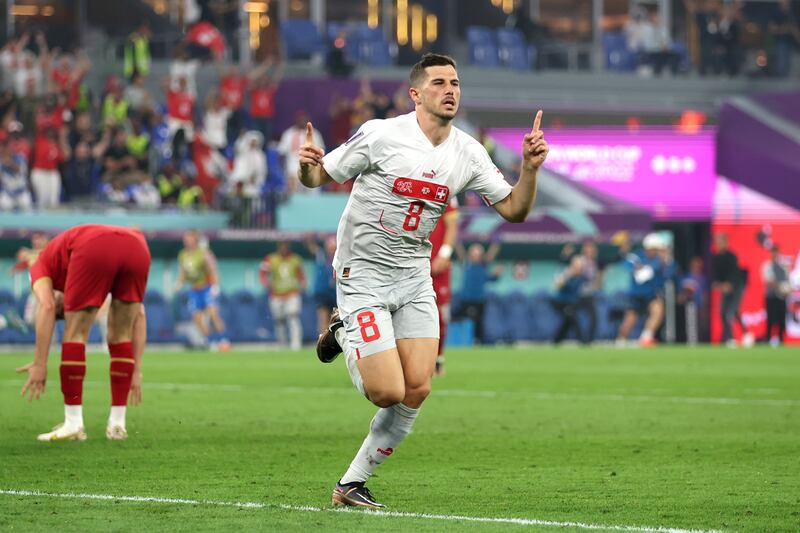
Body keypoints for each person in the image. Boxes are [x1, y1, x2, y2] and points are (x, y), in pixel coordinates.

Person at [300, 53, 548, 508]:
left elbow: (515, 209)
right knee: (387, 390)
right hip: (365, 274)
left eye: (455, 82)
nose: (450, 89)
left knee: (418, 387)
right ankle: (343, 329)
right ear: (416, 94)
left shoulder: (468, 152)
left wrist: (530, 170)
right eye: (438, 82)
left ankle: (351, 484)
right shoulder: (381, 134)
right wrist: (305, 165)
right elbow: (317, 176)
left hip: (414, 275)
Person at [15, 224, 150, 441]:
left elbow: (47, 306)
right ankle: (117, 425)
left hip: (95, 246)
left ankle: (73, 423)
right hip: (137, 245)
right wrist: (136, 369)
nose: (64, 311)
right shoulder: (69, 264)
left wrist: (39, 364)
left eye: (63, 312)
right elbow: (140, 315)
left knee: (75, 333)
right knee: (120, 335)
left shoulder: (40, 266)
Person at [176, 230, 230, 351]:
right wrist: (179, 283)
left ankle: (223, 340)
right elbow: (183, 272)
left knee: (213, 313)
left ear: (195, 240)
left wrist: (216, 286)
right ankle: (210, 342)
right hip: (194, 290)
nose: (186, 241)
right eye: (185, 239)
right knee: (197, 317)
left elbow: (212, 270)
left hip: (207, 287)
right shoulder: (182, 254)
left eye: (188, 238)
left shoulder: (204, 253)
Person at [616, 233, 666, 347]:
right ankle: (620, 340)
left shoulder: (658, 260)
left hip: (650, 294)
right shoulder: (637, 256)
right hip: (636, 294)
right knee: (630, 319)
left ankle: (646, 337)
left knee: (658, 311)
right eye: (654, 249)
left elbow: (652, 275)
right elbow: (631, 267)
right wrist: (638, 267)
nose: (655, 251)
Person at [429, 200, 458, 375]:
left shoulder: (444, 189)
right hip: (412, 263)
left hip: (437, 267)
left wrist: (444, 254)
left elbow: (452, 225)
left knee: (439, 315)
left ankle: (438, 359)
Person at [259, 241, 306, 350]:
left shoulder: (295, 259)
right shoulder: (270, 259)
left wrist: (303, 283)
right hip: (276, 294)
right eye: (282, 247)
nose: (283, 249)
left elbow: (301, 274)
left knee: (293, 316)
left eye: (285, 247)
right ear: (278, 248)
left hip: (292, 293)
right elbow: (262, 273)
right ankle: (282, 343)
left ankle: (296, 344)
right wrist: (265, 283)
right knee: (279, 320)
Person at [457, 242, 502, 345]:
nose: (475, 256)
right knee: (465, 321)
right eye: (473, 254)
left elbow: (491, 278)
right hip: (466, 299)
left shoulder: (483, 266)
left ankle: (478, 341)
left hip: (480, 300)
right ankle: (465, 341)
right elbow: (459, 250)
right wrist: (455, 240)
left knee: (479, 322)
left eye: (478, 254)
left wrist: (497, 274)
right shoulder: (466, 264)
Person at [712, 232, 752, 347]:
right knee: (723, 312)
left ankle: (732, 338)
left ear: (725, 242)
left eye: (720, 241)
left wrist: (728, 284)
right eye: (717, 241)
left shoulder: (731, 256)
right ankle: (731, 337)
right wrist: (718, 284)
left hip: (737, 287)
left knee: (731, 311)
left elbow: (734, 273)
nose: (718, 244)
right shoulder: (716, 257)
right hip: (725, 288)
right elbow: (716, 274)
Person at [278, 111, 324, 193]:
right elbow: (282, 152)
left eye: (304, 120)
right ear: (296, 120)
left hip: (310, 161)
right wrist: (283, 168)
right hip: (293, 161)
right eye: (300, 120)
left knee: (312, 183)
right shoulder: (288, 133)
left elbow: (320, 151)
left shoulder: (315, 133)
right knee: (292, 176)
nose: (302, 121)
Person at [552, 255, 588, 344]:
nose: (578, 268)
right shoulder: (566, 273)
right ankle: (582, 340)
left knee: (567, 322)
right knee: (573, 317)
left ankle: (556, 340)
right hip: (562, 302)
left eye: (580, 266)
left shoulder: (582, 277)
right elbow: (557, 286)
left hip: (573, 303)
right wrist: (567, 275)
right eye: (576, 265)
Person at [306, 235, 337, 335]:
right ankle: (323, 343)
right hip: (323, 292)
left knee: (336, 321)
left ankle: (336, 344)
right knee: (323, 320)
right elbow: (311, 247)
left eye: (333, 248)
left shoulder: (340, 258)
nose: (331, 251)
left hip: (336, 293)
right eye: (330, 248)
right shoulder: (321, 256)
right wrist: (310, 238)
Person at [761, 245, 790, 346]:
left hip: (782, 297)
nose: (774, 255)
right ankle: (768, 338)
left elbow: (787, 281)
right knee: (770, 318)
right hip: (771, 296)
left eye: (776, 253)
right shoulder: (767, 266)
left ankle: (781, 339)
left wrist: (786, 289)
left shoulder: (783, 267)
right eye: (773, 253)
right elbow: (769, 281)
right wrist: (780, 287)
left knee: (781, 318)